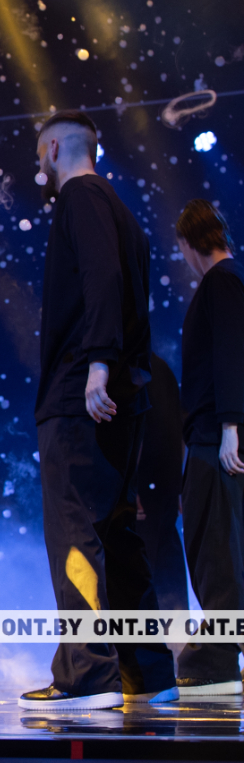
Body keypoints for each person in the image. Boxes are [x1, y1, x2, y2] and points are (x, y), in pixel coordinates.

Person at [19, 110, 176, 711]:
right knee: (116, 529)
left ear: (55, 148)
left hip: (81, 392)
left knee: (74, 529)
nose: (38, 165)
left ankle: (87, 674)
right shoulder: (120, 210)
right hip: (124, 394)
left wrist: (98, 363)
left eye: (40, 153)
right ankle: (147, 669)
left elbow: (101, 278)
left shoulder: (80, 197)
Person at [173, 200, 244, 697]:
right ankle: (217, 655)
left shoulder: (222, 281)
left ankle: (215, 659)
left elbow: (231, 354)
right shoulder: (230, 280)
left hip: (216, 437)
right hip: (212, 435)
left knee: (214, 545)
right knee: (217, 543)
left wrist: (230, 428)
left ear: (188, 243)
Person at [135, 354, 188, 613]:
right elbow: (181, 426)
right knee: (165, 563)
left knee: (143, 571)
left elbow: (131, 429)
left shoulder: (131, 367)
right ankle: (176, 634)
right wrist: (179, 484)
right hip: (164, 486)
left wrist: (129, 484)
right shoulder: (160, 366)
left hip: (144, 490)